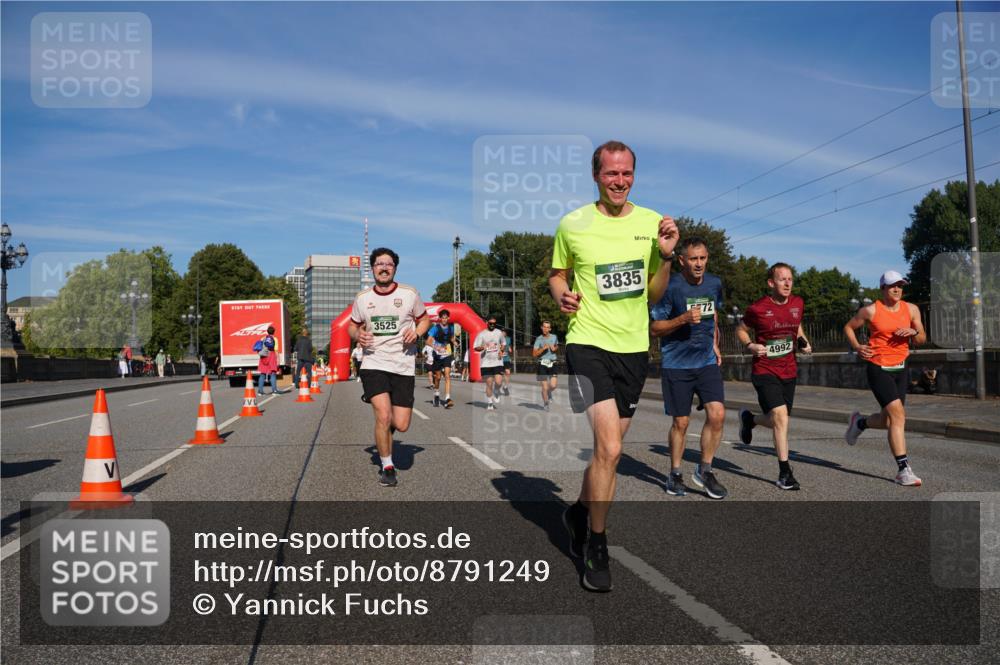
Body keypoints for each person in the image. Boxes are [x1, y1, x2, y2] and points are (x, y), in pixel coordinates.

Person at [550, 140, 678, 592]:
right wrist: (560, 293)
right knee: (609, 449)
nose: (619, 181)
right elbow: (557, 272)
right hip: (586, 342)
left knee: (610, 449)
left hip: (633, 348)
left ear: (634, 176)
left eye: (626, 174)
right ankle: (597, 543)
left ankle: (578, 512)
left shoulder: (652, 224)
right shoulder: (573, 224)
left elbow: (655, 295)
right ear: (596, 176)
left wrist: (664, 257)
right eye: (610, 174)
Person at [650, 237, 727, 501]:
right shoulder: (670, 286)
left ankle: (704, 470)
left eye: (703, 258)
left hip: (705, 360)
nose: (699, 264)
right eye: (693, 259)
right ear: (682, 260)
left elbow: (714, 313)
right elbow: (654, 327)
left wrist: (715, 344)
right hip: (677, 364)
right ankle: (675, 473)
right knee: (681, 422)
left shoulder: (715, 283)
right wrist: (682, 319)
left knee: (717, 414)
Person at [349, 248, 430, 487]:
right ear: (372, 268)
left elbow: (424, 319)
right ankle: (387, 466)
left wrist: (416, 332)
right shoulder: (362, 298)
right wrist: (358, 335)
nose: (384, 267)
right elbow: (352, 326)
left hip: (403, 364)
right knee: (383, 416)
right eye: (379, 264)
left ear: (394, 268)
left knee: (401, 424)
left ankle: (384, 433)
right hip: (373, 362)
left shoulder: (409, 294)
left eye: (389, 264)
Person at [843, 270, 926, 486]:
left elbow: (922, 338)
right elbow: (849, 328)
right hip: (878, 367)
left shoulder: (911, 309)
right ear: (883, 289)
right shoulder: (870, 310)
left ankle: (859, 422)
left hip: (901, 367)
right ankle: (903, 470)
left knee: (888, 420)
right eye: (892, 285)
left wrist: (913, 333)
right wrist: (858, 347)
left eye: (900, 285)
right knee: (898, 416)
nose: (897, 289)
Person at [735, 262, 812, 490]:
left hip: (789, 370)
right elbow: (740, 329)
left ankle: (750, 419)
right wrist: (750, 345)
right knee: (780, 417)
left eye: (790, 279)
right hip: (765, 369)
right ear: (771, 283)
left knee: (780, 419)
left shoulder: (798, 303)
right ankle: (785, 473)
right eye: (782, 279)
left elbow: (796, 326)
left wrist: (804, 342)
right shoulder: (758, 308)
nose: (787, 283)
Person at [474, 315, 507, 410]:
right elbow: (476, 347)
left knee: (498, 382)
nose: (492, 325)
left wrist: (501, 351)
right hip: (485, 363)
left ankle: (496, 391)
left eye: (494, 324)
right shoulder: (482, 334)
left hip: (497, 361)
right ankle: (489, 402)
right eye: (491, 323)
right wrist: (482, 347)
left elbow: (503, 343)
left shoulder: (499, 333)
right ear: (487, 323)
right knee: (489, 383)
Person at [426, 309, 456, 408]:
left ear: (448, 318)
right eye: (442, 318)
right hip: (437, 354)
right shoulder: (435, 328)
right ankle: (436, 393)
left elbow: (451, 337)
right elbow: (428, 341)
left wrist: (454, 342)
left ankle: (448, 398)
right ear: (440, 319)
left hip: (447, 353)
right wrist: (435, 347)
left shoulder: (451, 327)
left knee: (447, 375)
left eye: (446, 318)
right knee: (438, 377)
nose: (444, 320)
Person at [533, 320, 559, 410]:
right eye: (544, 327)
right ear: (541, 327)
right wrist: (542, 349)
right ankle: (546, 403)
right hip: (542, 363)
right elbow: (534, 354)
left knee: (553, 385)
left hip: (552, 362)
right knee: (544, 386)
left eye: (548, 327)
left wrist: (554, 348)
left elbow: (556, 347)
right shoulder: (538, 339)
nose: (546, 329)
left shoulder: (554, 337)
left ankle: (548, 392)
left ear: (550, 329)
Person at [257, 325, 279, 395]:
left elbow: (259, 347)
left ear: (267, 332)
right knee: (273, 373)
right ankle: (274, 390)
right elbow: (276, 351)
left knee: (262, 373)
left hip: (263, 356)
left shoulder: (262, 338)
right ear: (274, 332)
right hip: (271, 356)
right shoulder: (274, 339)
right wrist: (278, 359)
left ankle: (260, 391)